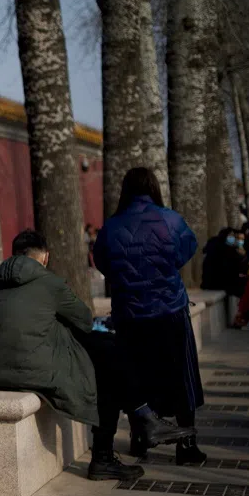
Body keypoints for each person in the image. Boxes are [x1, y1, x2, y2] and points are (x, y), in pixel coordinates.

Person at [0, 230, 192, 481]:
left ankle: (141, 419)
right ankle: (113, 448)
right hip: (31, 372)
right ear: (45, 257)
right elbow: (85, 320)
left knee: (106, 355)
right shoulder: (50, 282)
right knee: (108, 364)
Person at [94, 167, 205, 465]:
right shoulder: (170, 220)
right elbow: (187, 248)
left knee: (137, 378)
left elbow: (103, 262)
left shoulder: (111, 227)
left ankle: (139, 440)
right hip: (169, 310)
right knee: (182, 378)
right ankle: (187, 446)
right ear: (154, 188)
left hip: (129, 315)